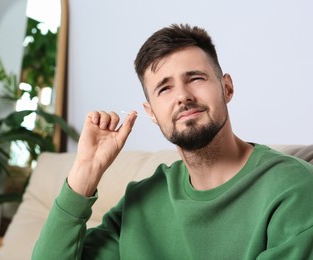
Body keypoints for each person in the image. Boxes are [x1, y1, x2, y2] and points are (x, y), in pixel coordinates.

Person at [32, 24, 313, 259]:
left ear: (226, 87)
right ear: (151, 113)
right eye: (165, 88)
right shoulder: (140, 202)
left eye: (196, 78)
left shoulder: (292, 187)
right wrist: (84, 174)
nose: (182, 96)